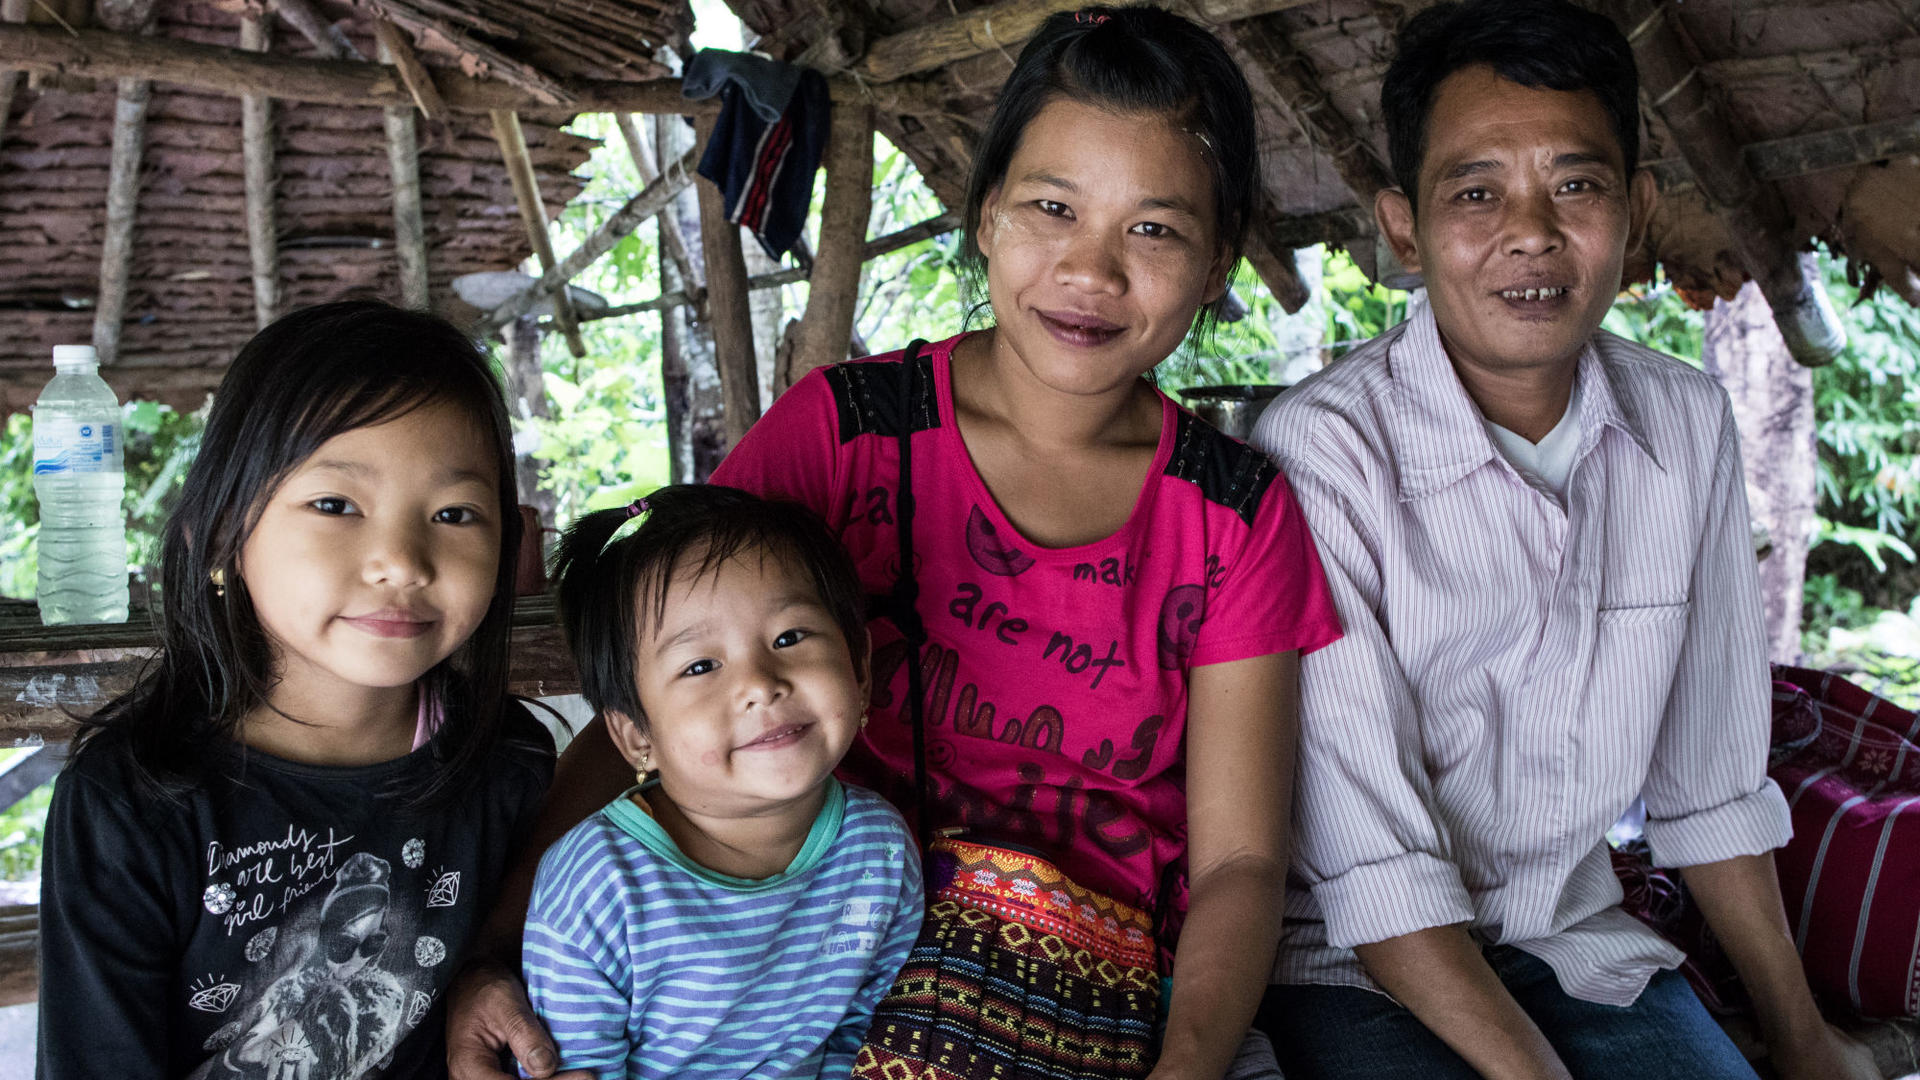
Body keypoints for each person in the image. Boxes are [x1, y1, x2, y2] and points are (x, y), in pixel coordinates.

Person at [446, 8, 1340, 1080]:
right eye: (1052, 208)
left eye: (1154, 229)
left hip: (1117, 997)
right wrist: (495, 956)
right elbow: (657, 686)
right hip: (824, 982)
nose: (1092, 271)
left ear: (1215, 260)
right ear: (988, 213)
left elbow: (1241, 858)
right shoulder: (849, 434)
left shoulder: (1232, 513)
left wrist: (1185, 1067)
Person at [1247, 3, 1872, 1079]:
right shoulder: (1324, 451)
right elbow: (1375, 871)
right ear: (1402, 227)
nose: (1531, 233)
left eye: (1575, 186)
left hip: (1578, 947)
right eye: (1476, 191)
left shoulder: (1683, 423)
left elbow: (1710, 784)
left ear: (1635, 210)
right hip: (1352, 968)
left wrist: (1804, 1040)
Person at [37, 301, 556, 1080]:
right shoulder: (132, 803)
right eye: (335, 505)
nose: (402, 561)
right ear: (222, 537)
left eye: (454, 513)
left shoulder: (507, 759)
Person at [521, 484, 922, 1078]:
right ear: (638, 735)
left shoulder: (879, 850)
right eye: (700, 666)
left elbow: (861, 1039)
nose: (760, 683)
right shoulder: (600, 888)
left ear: (860, 668)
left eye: (789, 637)